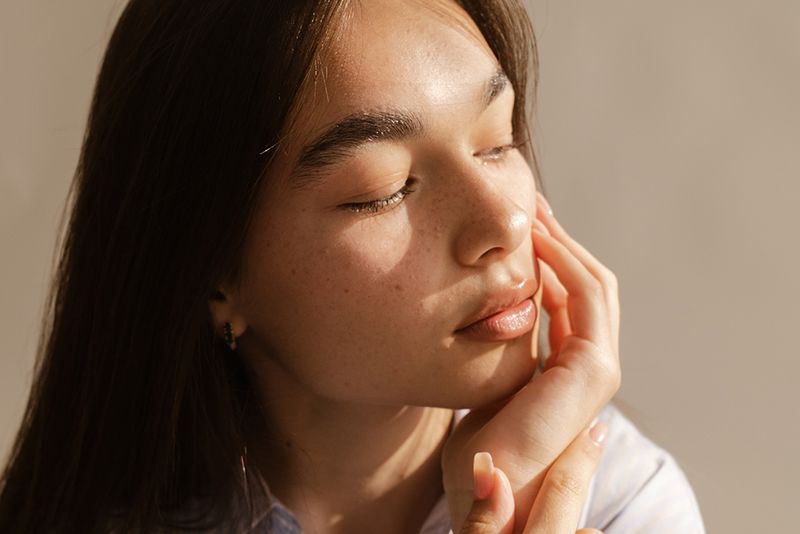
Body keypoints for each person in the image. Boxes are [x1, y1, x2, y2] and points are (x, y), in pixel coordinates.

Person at [0, 0, 705, 532]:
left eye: (497, 142)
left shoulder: (618, 505)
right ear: (213, 271)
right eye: (384, 189)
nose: (505, 222)